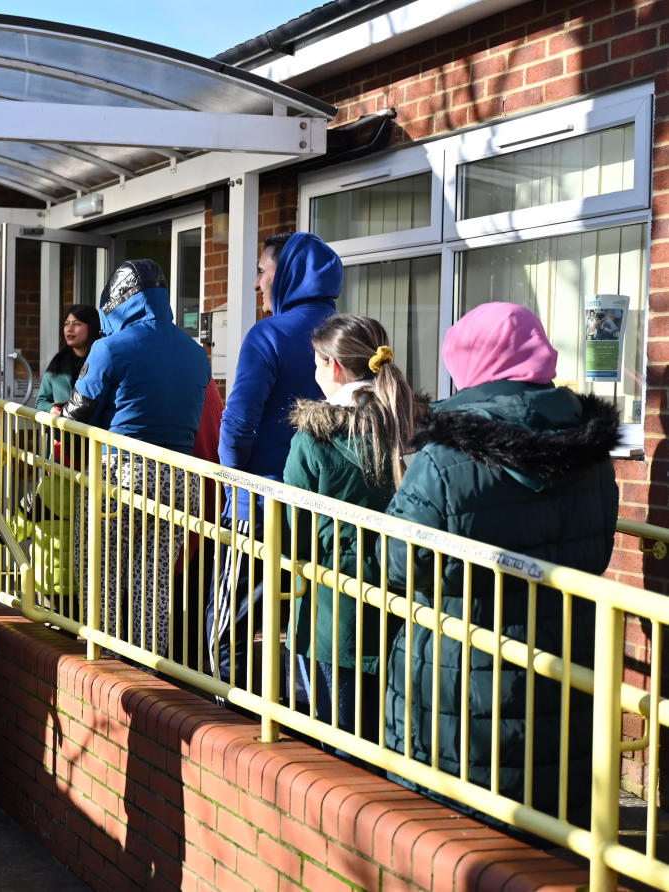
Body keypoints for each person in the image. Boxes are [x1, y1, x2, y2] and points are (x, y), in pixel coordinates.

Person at [383, 301, 619, 822]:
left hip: (460, 669)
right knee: (554, 818)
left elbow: (400, 561)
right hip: (564, 657)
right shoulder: (590, 449)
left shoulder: (444, 454)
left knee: (452, 830)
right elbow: (599, 548)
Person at [210, 231, 340, 686]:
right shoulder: (350, 333)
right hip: (328, 509)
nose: (256, 284)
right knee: (307, 616)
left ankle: (228, 707)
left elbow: (238, 423)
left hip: (260, 503)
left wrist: (232, 483)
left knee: (234, 617)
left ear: (285, 275)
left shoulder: (269, 334)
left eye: (262, 272)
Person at [63, 259, 211, 658]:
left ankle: (103, 657)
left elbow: (76, 413)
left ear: (118, 301)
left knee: (102, 566)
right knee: (156, 579)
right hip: (182, 478)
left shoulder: (109, 347)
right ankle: (147, 662)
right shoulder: (196, 352)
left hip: (123, 472)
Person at [282, 314, 414, 746]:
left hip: (331, 608)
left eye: (318, 362)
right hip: (402, 601)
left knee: (337, 741)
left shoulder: (313, 439)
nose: (314, 371)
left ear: (334, 367)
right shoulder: (404, 425)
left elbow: (293, 530)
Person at [36, 304, 102, 414]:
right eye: (67, 324)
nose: (70, 329)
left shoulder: (101, 359)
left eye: (77, 324)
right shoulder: (58, 361)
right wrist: (52, 409)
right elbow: (41, 402)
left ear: (91, 327)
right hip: (62, 429)